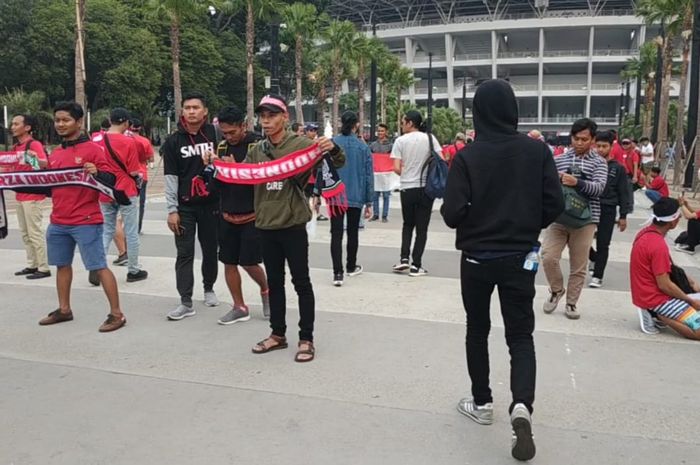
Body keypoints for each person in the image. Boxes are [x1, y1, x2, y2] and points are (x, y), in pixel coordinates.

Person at [441, 79, 564, 462]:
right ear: (513, 110)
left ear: (477, 112)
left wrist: (477, 215)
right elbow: (554, 204)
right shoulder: (536, 151)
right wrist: (527, 225)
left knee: (477, 330)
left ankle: (481, 403)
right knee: (520, 336)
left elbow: (450, 214)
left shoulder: (467, 157)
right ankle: (521, 406)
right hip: (519, 258)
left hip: (477, 258)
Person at [247, 94, 344, 363]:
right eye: (262, 116)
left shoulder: (302, 145)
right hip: (266, 224)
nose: (266, 121)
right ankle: (277, 334)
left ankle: (306, 338)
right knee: (274, 283)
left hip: (292, 224)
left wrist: (332, 147)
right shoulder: (256, 150)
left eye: (272, 115)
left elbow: (338, 162)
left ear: (284, 118)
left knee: (301, 282)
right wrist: (216, 167)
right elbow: (241, 175)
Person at [38, 101, 127, 332]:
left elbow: (111, 182)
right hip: (58, 221)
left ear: (79, 122)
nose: (60, 124)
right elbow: (50, 187)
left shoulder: (93, 150)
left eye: (66, 120)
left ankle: (117, 314)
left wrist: (98, 173)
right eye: (57, 120)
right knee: (61, 265)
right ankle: (64, 309)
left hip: (86, 221)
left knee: (99, 266)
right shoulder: (56, 153)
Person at [203, 105, 270, 324]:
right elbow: (216, 184)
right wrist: (212, 169)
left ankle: (266, 290)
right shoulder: (221, 147)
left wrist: (236, 169)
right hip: (227, 213)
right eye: (224, 132)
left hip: (252, 214)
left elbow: (263, 176)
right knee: (229, 262)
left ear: (243, 126)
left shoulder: (259, 144)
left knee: (249, 263)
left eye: (232, 132)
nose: (229, 137)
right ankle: (239, 306)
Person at [541, 118, 607, 319]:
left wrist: (576, 182)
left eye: (584, 139)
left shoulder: (599, 162)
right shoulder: (560, 159)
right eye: (576, 138)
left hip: (585, 221)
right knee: (548, 256)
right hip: (559, 217)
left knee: (578, 266)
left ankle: (571, 303)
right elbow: (547, 183)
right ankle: (556, 290)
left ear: (592, 140)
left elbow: (599, 188)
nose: (579, 143)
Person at [163, 92, 221, 320]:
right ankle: (185, 301)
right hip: (185, 207)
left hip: (212, 204)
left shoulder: (215, 134)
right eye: (187, 107)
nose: (192, 111)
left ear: (205, 111)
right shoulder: (173, 141)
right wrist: (172, 210)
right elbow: (170, 177)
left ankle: (209, 288)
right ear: (182, 112)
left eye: (196, 107)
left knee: (210, 250)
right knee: (184, 253)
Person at [631, 197, 700, 340]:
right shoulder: (657, 245)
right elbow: (664, 285)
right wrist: (690, 301)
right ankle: (657, 315)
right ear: (673, 221)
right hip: (656, 299)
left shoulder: (647, 233)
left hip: (649, 292)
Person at [95, 108, 148, 284]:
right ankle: (133, 270)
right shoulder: (128, 142)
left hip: (105, 189)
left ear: (110, 121)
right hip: (126, 190)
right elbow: (133, 169)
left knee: (106, 229)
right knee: (131, 232)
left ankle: (97, 267)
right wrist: (138, 176)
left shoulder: (97, 140)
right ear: (126, 123)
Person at [391, 110, 442, 277]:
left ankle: (404, 258)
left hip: (407, 187)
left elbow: (396, 168)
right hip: (425, 188)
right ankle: (416, 265)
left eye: (403, 121)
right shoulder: (430, 138)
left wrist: (407, 174)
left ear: (410, 123)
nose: (401, 124)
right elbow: (441, 160)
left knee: (407, 225)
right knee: (422, 228)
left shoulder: (400, 141)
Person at [330, 111, 374, 286]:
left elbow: (322, 169)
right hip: (355, 193)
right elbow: (368, 175)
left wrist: (318, 193)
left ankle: (337, 273)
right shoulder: (363, 147)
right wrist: (369, 201)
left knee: (336, 233)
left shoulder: (333, 142)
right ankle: (350, 266)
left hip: (335, 194)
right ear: (356, 124)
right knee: (353, 232)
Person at [588, 131, 631, 288]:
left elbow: (623, 193)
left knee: (603, 243)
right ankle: (593, 258)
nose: (600, 149)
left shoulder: (618, 168)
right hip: (590, 206)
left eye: (604, 146)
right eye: (597, 146)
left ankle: (598, 276)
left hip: (608, 208)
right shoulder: (590, 163)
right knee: (581, 241)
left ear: (611, 146)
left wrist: (623, 215)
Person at [10, 114, 51, 280]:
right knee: (25, 233)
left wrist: (33, 159)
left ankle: (43, 267)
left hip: (32, 195)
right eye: (12, 124)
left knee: (34, 233)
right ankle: (32, 263)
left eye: (16, 124)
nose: (12, 126)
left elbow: (42, 166)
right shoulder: (15, 148)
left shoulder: (33, 144)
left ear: (27, 127)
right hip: (20, 194)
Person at [129, 118, 155, 234]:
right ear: (140, 128)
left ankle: (127, 227)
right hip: (142, 175)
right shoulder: (145, 141)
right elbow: (151, 158)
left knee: (128, 202)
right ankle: (138, 228)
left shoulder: (125, 140)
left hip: (128, 175)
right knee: (141, 203)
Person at [368, 123, 394, 222]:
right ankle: (375, 214)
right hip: (376, 173)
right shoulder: (373, 145)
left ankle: (384, 216)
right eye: (379, 131)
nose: (380, 133)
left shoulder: (391, 146)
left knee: (386, 195)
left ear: (386, 132)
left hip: (386, 174)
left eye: (382, 131)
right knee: (375, 195)